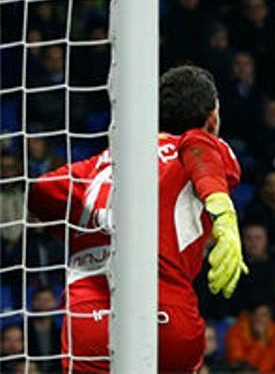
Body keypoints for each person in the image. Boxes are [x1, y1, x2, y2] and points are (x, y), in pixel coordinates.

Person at [27, 65, 247, 372]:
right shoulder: (207, 145)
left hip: (88, 320)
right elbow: (197, 146)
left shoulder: (99, 166)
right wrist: (223, 212)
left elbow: (39, 191)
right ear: (212, 119)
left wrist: (82, 229)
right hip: (163, 312)